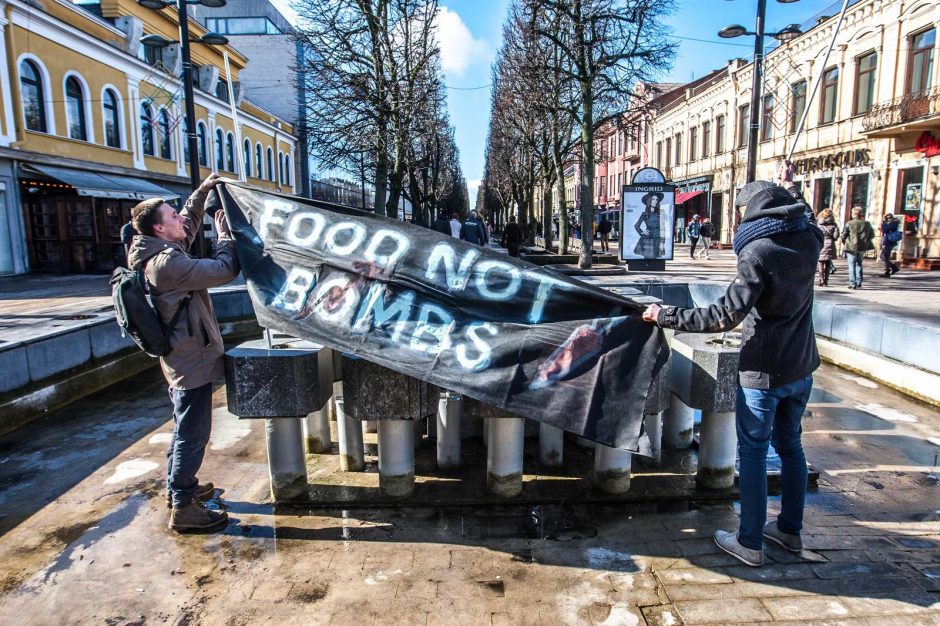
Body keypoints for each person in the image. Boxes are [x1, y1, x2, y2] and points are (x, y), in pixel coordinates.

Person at [641, 165, 822, 568]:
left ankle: (750, 542)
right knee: (791, 447)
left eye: (742, 214)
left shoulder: (758, 252)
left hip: (763, 372)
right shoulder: (809, 239)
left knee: (754, 455)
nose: (739, 220)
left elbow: (724, 316)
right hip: (802, 367)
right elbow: (807, 215)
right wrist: (790, 187)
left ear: (754, 216)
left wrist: (665, 315)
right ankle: (790, 532)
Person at [126, 173, 240, 533]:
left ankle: (179, 488)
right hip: (191, 360)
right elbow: (224, 270)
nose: (180, 219)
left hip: (182, 356)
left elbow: (188, 222)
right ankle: (184, 505)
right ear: (159, 229)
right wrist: (226, 234)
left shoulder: (159, 250)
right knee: (193, 433)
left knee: (182, 428)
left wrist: (202, 192)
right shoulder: (166, 264)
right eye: (172, 216)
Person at [841, 207, 875, 290]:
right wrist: (866, 240)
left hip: (851, 246)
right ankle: (859, 282)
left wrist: (844, 242)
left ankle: (852, 283)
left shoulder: (849, 223)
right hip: (862, 246)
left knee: (851, 265)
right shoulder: (867, 223)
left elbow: (843, 235)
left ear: (853, 214)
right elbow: (872, 235)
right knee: (859, 264)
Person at [633, 192, 665, 258]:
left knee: (655, 260)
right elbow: (636, 225)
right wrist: (642, 232)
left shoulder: (661, 213)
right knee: (647, 258)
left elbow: (663, 228)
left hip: (657, 239)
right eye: (653, 199)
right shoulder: (644, 214)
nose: (655, 201)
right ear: (649, 200)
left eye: (656, 200)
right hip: (647, 240)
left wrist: (662, 242)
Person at [815, 209, 838, 287]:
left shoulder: (818, 224)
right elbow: (835, 236)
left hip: (821, 244)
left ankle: (820, 280)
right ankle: (826, 280)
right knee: (828, 263)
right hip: (830, 244)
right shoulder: (834, 225)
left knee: (820, 263)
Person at [880, 213, 901, 278]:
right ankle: (892, 268)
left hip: (890, 241)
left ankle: (889, 270)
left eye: (889, 218)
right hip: (887, 241)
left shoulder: (894, 223)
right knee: (884, 256)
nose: (888, 219)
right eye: (887, 218)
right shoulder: (890, 223)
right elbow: (885, 230)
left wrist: (883, 223)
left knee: (885, 256)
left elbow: (885, 229)